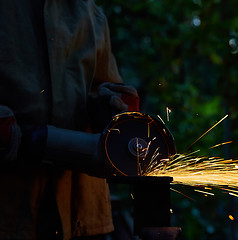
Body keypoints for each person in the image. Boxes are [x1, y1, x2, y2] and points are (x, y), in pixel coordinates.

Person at [0, 1, 138, 239]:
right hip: (9, 206)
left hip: (79, 210)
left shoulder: (88, 11)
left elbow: (103, 82)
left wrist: (111, 104)